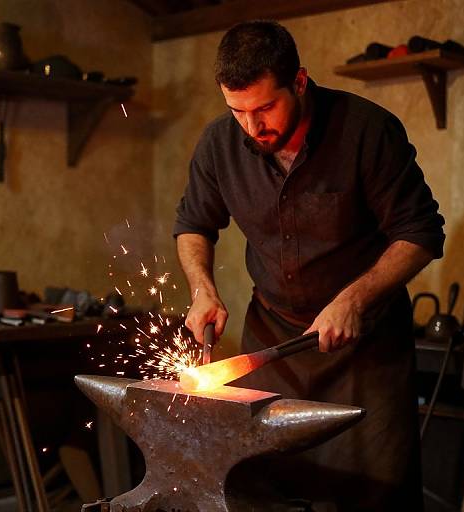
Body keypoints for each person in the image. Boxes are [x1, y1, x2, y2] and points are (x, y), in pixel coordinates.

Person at [173, 20, 444, 512]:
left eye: (265, 108)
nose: (253, 128)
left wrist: (353, 299)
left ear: (299, 82)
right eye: (238, 112)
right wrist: (202, 290)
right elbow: (193, 223)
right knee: (265, 490)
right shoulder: (218, 144)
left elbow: (420, 233)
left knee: (373, 496)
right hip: (273, 346)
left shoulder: (367, 131)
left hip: (366, 354)